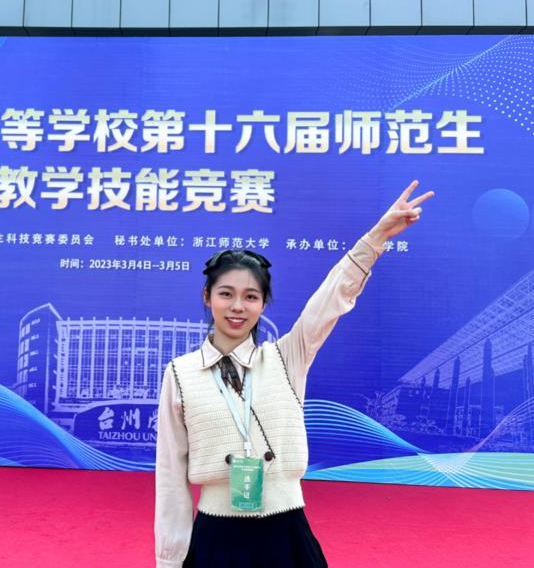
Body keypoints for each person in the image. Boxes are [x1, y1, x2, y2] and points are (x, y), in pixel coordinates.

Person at [155, 181, 434, 567]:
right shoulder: (181, 374)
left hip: (286, 532)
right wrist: (169, 560)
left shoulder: (287, 357)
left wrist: (375, 238)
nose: (238, 307)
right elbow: (170, 474)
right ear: (207, 296)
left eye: (251, 296)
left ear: (263, 304)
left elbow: (331, 299)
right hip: (216, 537)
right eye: (226, 293)